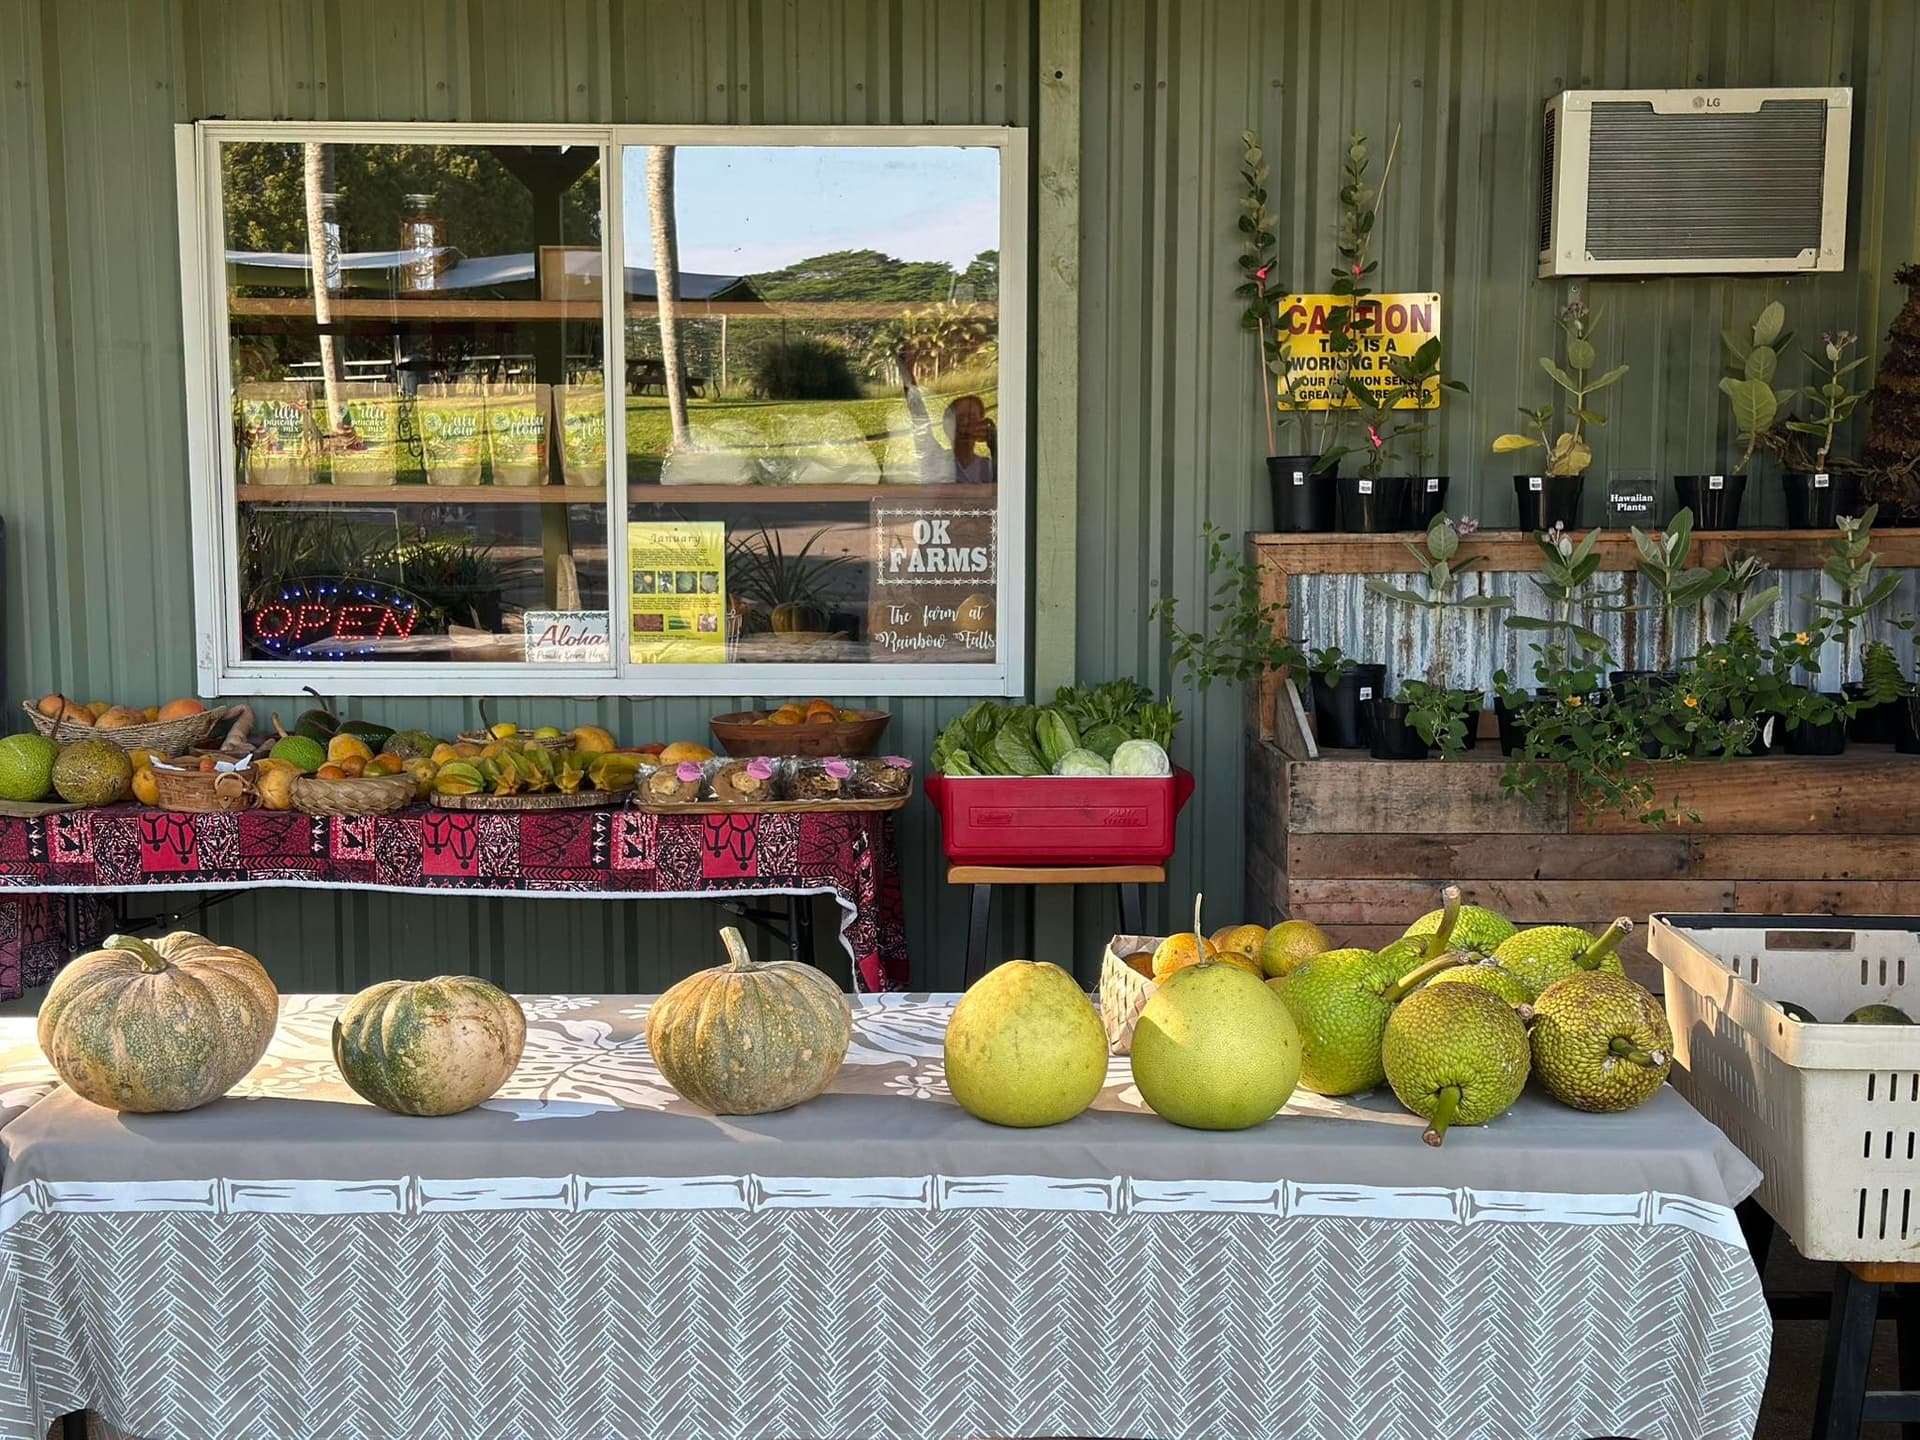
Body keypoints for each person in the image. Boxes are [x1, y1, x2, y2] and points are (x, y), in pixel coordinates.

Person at [898, 342, 996, 485]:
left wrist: (995, 445)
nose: (966, 425)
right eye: (960, 418)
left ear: (981, 425)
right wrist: (907, 374)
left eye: (972, 418)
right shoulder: (935, 459)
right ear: (946, 425)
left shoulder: (988, 468)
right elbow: (918, 416)